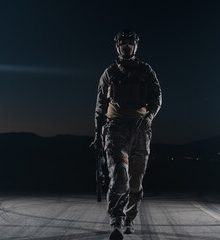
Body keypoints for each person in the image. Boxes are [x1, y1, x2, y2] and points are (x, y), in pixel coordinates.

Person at [90, 29, 162, 240]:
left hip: (140, 130)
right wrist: (97, 133)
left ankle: (130, 218)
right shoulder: (109, 74)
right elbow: (100, 105)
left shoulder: (146, 71)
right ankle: (116, 219)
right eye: (123, 43)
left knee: (135, 181)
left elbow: (157, 97)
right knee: (119, 175)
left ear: (136, 46)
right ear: (117, 46)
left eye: (131, 43)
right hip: (115, 129)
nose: (127, 46)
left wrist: (150, 117)